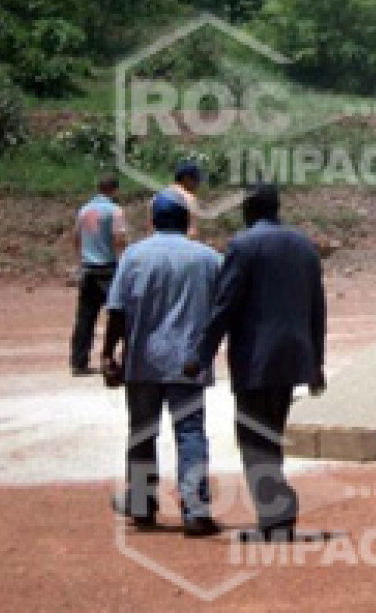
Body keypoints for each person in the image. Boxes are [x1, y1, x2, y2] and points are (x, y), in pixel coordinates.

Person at [187, 183, 327, 542]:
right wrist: (316, 364)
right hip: (293, 358)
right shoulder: (304, 246)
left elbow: (225, 305)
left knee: (252, 437)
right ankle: (276, 513)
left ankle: (277, 514)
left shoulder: (243, 245)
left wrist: (201, 355)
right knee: (270, 435)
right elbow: (317, 308)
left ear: (248, 208)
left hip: (255, 359)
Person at [103, 190, 222, 538]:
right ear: (186, 222)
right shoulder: (208, 259)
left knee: (142, 432)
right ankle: (195, 509)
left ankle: (141, 503)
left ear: (153, 221)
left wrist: (109, 354)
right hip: (189, 361)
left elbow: (116, 310)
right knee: (190, 433)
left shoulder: (134, 257)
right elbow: (224, 308)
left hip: (143, 361)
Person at [69, 173, 129, 376]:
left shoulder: (84, 210)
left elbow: (76, 238)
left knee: (85, 317)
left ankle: (79, 362)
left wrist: (81, 262)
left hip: (88, 268)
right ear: (114, 190)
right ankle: (118, 358)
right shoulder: (114, 211)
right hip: (108, 269)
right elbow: (118, 238)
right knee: (120, 314)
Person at [151, 160, 202, 239]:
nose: (198, 185)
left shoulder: (155, 198)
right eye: (196, 181)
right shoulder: (189, 199)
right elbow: (192, 233)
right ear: (187, 179)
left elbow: (151, 231)